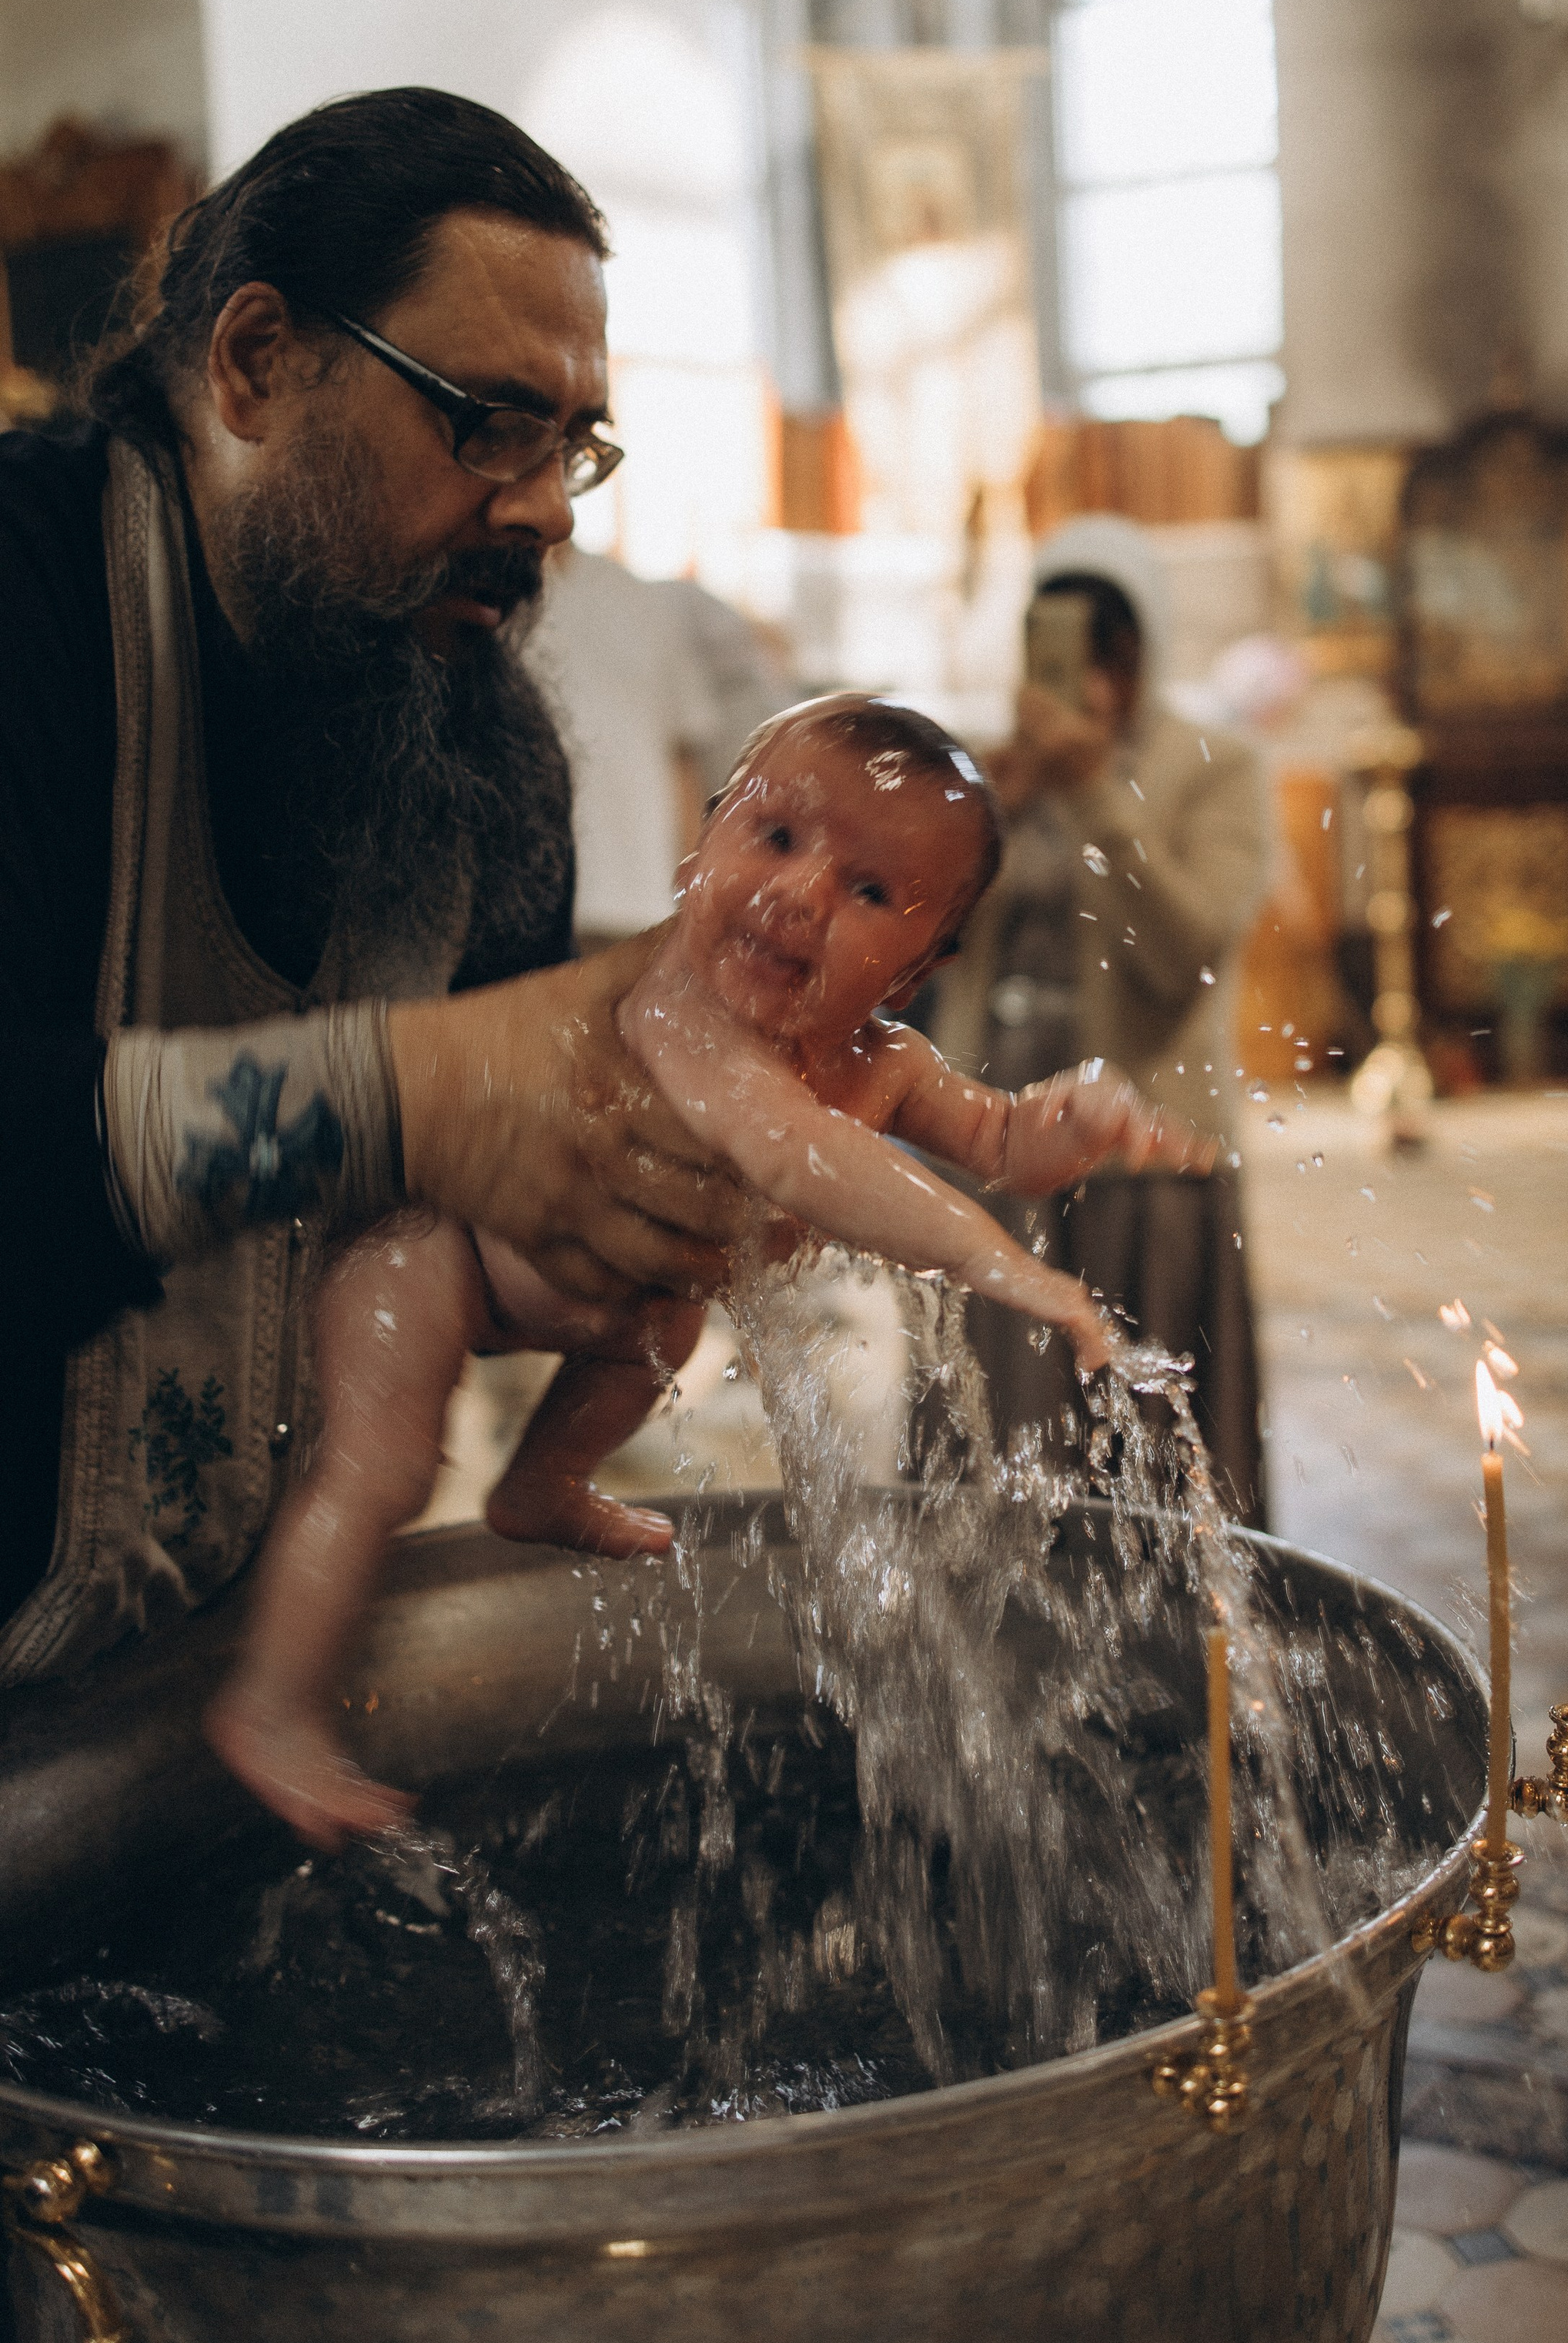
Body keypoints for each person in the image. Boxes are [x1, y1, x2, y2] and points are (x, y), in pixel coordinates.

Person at [0, 89, 755, 1684]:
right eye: (481, 421)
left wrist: (581, 1239)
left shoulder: (479, 751)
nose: (543, 509)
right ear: (258, 362)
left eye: (573, 446)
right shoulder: (33, 602)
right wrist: (393, 1095)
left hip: (221, 1666)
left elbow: (412, 1250)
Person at [209, 695, 1209, 1847]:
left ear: (920, 965)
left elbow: (998, 1143)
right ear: (701, 847)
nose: (800, 895)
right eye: (776, 838)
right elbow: (799, 1150)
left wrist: (1069, 1120)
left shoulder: (887, 1061)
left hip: (597, 1295)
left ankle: (538, 1485)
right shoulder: (678, 1011)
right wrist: (1000, 1266)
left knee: (665, 1328)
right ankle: (269, 1707)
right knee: (377, 1474)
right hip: (430, 1252)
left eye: (870, 892)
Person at [934, 515, 1272, 1518]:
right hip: (997, 1135)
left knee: (1147, 1445)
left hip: (1143, 1145)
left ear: (1142, 655)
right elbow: (926, 953)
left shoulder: (1214, 763)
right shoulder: (999, 771)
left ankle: (1177, 1648)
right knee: (1002, 1432)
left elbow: (1186, 951)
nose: (1087, 677)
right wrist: (973, 826)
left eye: (1108, 651)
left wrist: (1096, 794)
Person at [529, 545, 796, 949]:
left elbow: (682, 763)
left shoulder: (638, 599)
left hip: (641, 902)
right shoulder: (495, 598)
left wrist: (691, 900)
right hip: (534, 906)